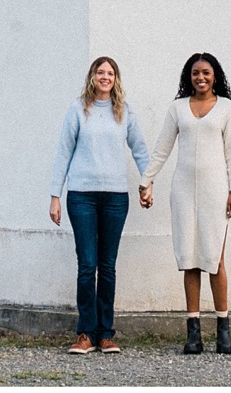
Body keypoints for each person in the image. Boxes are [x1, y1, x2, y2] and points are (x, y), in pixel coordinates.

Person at [139, 52, 231, 356]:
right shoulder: (177, 109)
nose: (201, 78)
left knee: (214, 259)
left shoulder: (226, 109)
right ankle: (193, 334)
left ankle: (223, 332)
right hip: (183, 191)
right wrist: (146, 180)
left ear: (215, 76)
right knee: (190, 260)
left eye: (206, 73)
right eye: (195, 73)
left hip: (215, 191)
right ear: (188, 76)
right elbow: (162, 148)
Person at [49, 55, 150, 355]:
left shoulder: (125, 113)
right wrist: (55, 195)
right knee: (87, 265)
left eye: (110, 73)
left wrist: (147, 183)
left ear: (116, 79)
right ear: (92, 77)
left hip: (115, 198)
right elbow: (63, 154)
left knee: (107, 267)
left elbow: (141, 151)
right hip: (82, 196)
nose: (105, 77)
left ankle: (106, 334)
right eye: (100, 72)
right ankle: (85, 334)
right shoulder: (78, 110)